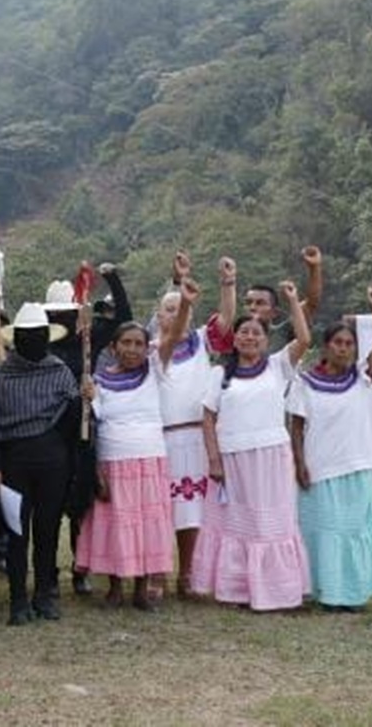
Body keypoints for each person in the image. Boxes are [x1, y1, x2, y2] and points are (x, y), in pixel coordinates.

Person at [77, 279, 198, 611]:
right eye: (125, 343)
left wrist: (185, 303)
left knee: (147, 524)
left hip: (149, 460)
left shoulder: (155, 370)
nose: (132, 349)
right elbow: (95, 427)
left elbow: (173, 336)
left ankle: (142, 588)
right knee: (116, 524)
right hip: (113, 463)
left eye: (138, 343)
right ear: (113, 348)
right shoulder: (98, 382)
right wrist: (89, 398)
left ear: (148, 348)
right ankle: (115, 586)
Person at [192, 280, 312, 611]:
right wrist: (214, 460)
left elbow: (304, 339)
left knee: (271, 523)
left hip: (271, 457)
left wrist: (291, 300)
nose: (249, 337)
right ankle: (235, 590)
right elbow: (207, 418)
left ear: (265, 339)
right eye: (243, 332)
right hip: (232, 461)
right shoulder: (220, 373)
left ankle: (278, 591)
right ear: (235, 338)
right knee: (236, 524)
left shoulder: (278, 366)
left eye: (256, 334)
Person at [288, 287, 372, 611]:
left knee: (355, 532)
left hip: (358, 465)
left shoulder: (362, 376)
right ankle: (326, 594)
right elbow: (296, 427)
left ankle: (353, 594)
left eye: (349, 343)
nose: (344, 348)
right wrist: (299, 464)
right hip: (320, 469)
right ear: (325, 347)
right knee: (325, 533)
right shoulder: (304, 382)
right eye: (337, 343)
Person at [0, 303, 80, 625]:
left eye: (39, 335)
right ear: (17, 337)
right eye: (27, 336)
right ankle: (17, 600)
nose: (34, 340)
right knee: (16, 533)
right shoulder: (0, 378)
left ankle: (44, 595)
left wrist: (85, 401)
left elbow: (74, 423)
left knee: (47, 530)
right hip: (14, 464)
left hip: (54, 462)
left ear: (47, 336)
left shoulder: (61, 372)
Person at [152, 252, 215, 598]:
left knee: (192, 511)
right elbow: (173, 336)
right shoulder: (150, 351)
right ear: (158, 316)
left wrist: (227, 284)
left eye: (181, 309)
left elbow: (230, 318)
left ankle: (188, 573)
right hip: (164, 439)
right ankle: (159, 572)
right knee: (163, 509)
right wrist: (184, 298)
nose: (175, 314)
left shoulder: (203, 342)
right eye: (168, 309)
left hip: (198, 438)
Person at [42, 279, 96, 597]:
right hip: (48, 432)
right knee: (47, 508)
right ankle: (48, 572)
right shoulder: (38, 344)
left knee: (79, 506)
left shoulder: (85, 343)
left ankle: (81, 568)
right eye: (56, 313)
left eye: (66, 312)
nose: (60, 318)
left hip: (80, 430)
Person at [206, 248, 322, 355]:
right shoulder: (234, 335)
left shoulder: (282, 333)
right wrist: (228, 279)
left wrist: (314, 268)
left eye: (260, 303)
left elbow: (311, 304)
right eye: (248, 303)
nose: (252, 307)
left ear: (274, 312)